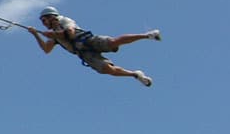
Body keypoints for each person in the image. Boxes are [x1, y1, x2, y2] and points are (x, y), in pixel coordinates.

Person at [27, 6, 160, 87]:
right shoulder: (53, 35)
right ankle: (135, 74)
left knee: (113, 42)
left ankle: (147, 35)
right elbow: (46, 49)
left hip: (87, 41)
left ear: (51, 17)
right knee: (108, 70)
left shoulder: (64, 21)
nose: (43, 23)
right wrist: (36, 35)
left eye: (44, 20)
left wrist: (53, 35)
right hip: (84, 53)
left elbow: (71, 34)